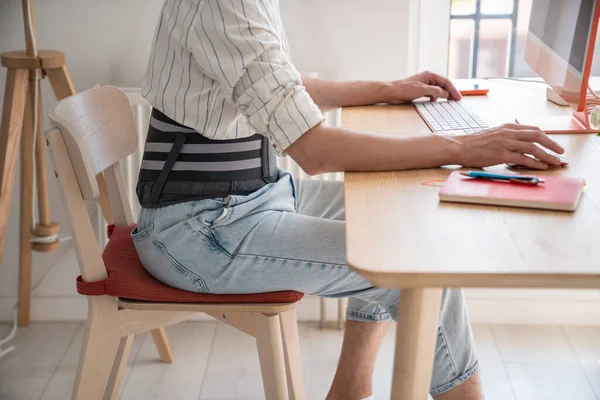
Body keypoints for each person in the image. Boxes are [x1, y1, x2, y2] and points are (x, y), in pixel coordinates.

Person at [132, 1, 565, 399]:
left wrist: (388, 88)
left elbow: (284, 86)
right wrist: (460, 148)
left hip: (251, 199)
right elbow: (315, 152)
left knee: (394, 209)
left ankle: (348, 390)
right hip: (198, 231)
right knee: (420, 264)